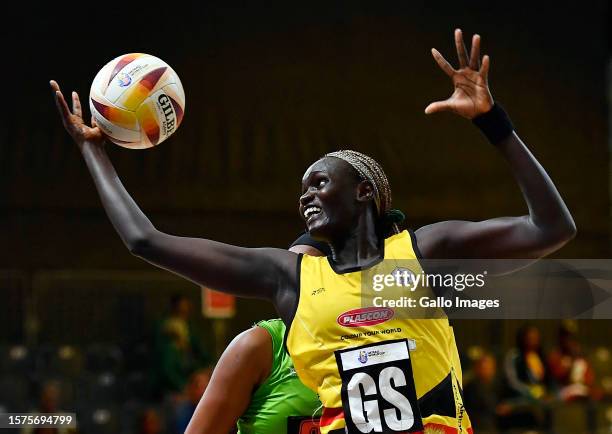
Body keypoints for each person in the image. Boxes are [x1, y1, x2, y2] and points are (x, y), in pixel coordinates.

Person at [50, 28, 576, 434]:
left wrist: (492, 121)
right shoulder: (293, 277)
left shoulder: (424, 252)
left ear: (365, 191)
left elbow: (551, 228)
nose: (305, 195)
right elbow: (146, 241)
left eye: (319, 182)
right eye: (301, 189)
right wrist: (94, 151)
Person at [185, 233, 330, 434]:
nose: (291, 284)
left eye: (303, 275)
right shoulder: (258, 346)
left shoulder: (370, 341)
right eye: (285, 275)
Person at [151, 293, 211, 398]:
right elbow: (168, 372)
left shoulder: (189, 334)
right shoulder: (169, 350)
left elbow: (200, 353)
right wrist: (184, 388)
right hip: (169, 391)